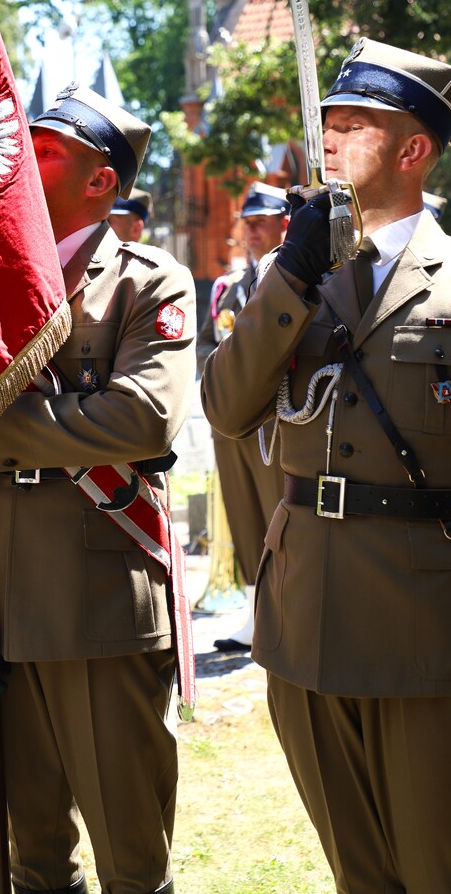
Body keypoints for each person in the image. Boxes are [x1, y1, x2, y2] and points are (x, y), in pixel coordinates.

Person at [202, 38, 451, 893]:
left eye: (357, 124)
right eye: (329, 123)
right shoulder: (292, 276)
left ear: (413, 148)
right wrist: (290, 273)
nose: (330, 138)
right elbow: (226, 409)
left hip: (429, 628)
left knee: (443, 870)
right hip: (305, 624)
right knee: (359, 874)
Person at [0, 84, 196, 894]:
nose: (18, 158)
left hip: (100, 604)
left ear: (100, 181)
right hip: (2, 605)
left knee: (130, 858)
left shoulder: (147, 282)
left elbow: (143, 418)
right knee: (33, 859)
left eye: (44, 151)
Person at [195, 182, 289, 650]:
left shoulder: (296, 281)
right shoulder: (229, 288)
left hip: (277, 422)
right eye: (246, 223)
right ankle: (255, 614)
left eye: (260, 223)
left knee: (278, 513)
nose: (250, 231)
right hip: (233, 423)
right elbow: (207, 347)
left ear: (284, 224)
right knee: (244, 513)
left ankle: (286, 611)